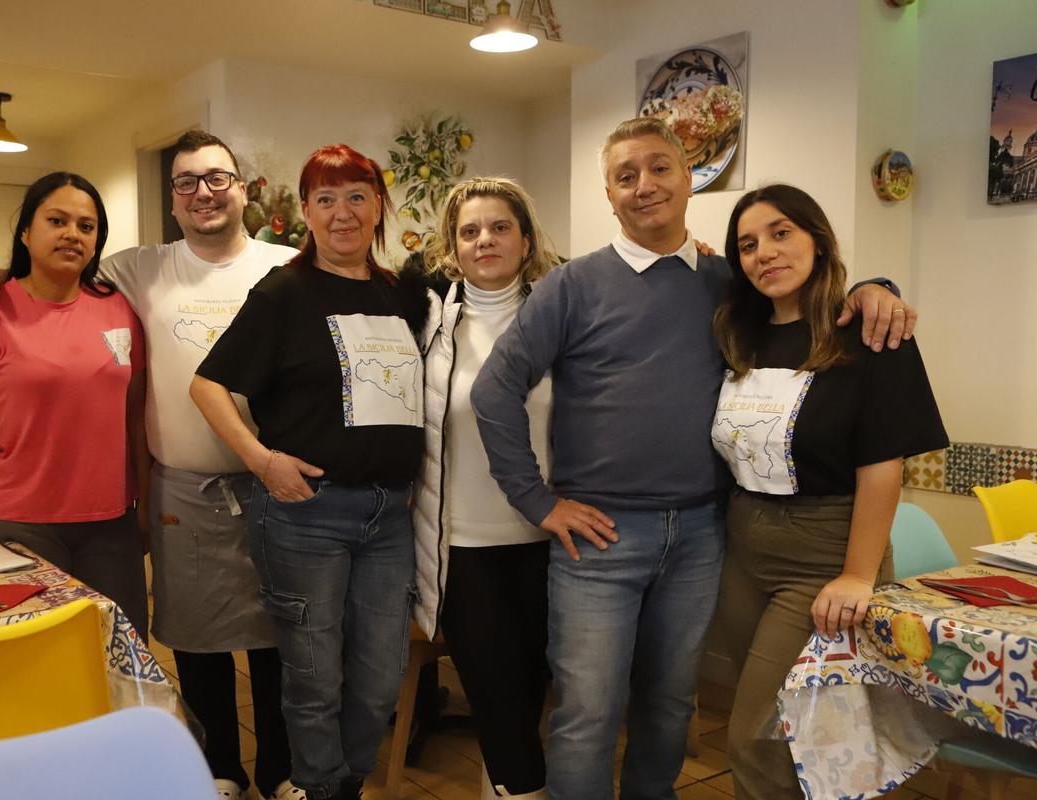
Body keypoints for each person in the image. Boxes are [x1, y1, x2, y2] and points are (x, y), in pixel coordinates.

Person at [469, 117, 917, 800]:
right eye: (626, 176)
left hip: (704, 535)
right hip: (600, 538)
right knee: (588, 712)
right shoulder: (571, 285)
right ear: (609, 194)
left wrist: (874, 287)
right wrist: (537, 500)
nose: (644, 185)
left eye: (659, 168)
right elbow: (493, 391)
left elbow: (806, 299)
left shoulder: (727, 282)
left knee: (671, 705)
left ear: (688, 178)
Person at [0, 131, 301, 800]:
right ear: (172, 198)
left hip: (258, 489)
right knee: (192, 637)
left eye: (217, 178)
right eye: (187, 181)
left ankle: (279, 769)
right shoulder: (139, 270)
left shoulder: (287, 266)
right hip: (155, 494)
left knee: (271, 637)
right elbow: (51, 274)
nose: (203, 192)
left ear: (241, 187)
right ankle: (216, 767)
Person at [190, 143, 429, 800]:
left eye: (356, 197)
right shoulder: (284, 293)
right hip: (306, 515)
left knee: (379, 679)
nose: (342, 213)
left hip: (390, 515)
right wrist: (261, 460)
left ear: (378, 206)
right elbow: (207, 385)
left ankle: (342, 783)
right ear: (306, 211)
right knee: (315, 679)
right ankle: (324, 789)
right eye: (326, 199)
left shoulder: (404, 294)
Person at [709, 184, 947, 798]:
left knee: (757, 739)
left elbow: (882, 467)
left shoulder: (868, 334)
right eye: (748, 245)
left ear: (817, 239)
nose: (765, 252)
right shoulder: (737, 334)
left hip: (824, 554)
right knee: (799, 735)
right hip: (743, 549)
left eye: (781, 233)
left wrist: (857, 576)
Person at [0, 172, 149, 641]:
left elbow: (136, 419)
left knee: (121, 657)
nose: (72, 234)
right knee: (37, 660)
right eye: (57, 221)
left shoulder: (119, 308)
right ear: (26, 232)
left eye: (86, 226)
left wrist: (145, 504)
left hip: (112, 525)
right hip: (21, 527)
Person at [412, 177, 560, 800]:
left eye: (500, 227)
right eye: (469, 231)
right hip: (462, 544)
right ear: (453, 248)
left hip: (554, 539)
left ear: (526, 240)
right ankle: (520, 788)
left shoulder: (564, 316)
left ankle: (500, 785)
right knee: (497, 695)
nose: (485, 241)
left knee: (529, 695)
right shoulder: (427, 322)